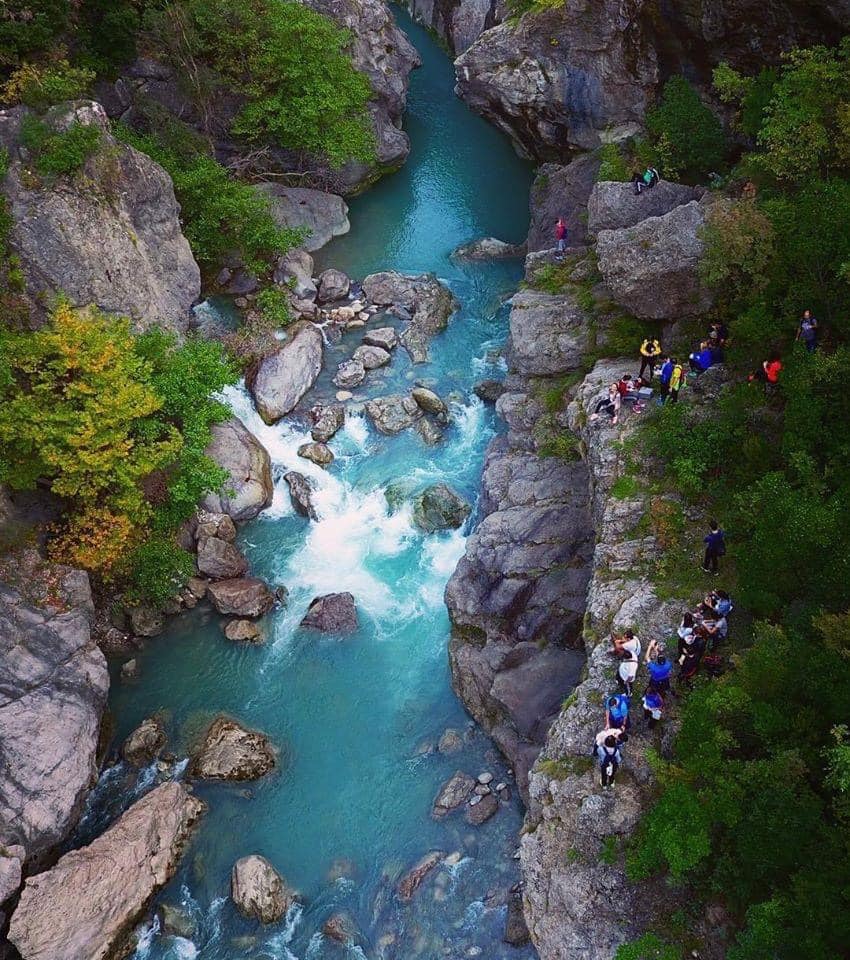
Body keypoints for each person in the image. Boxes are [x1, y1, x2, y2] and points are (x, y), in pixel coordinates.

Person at [613, 629, 641, 695]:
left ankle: (628, 694)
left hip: (626, 678)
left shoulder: (632, 665)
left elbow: (631, 676)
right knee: (618, 676)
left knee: (627, 686)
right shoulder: (632, 652)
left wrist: (626, 681)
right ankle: (619, 680)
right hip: (622, 671)